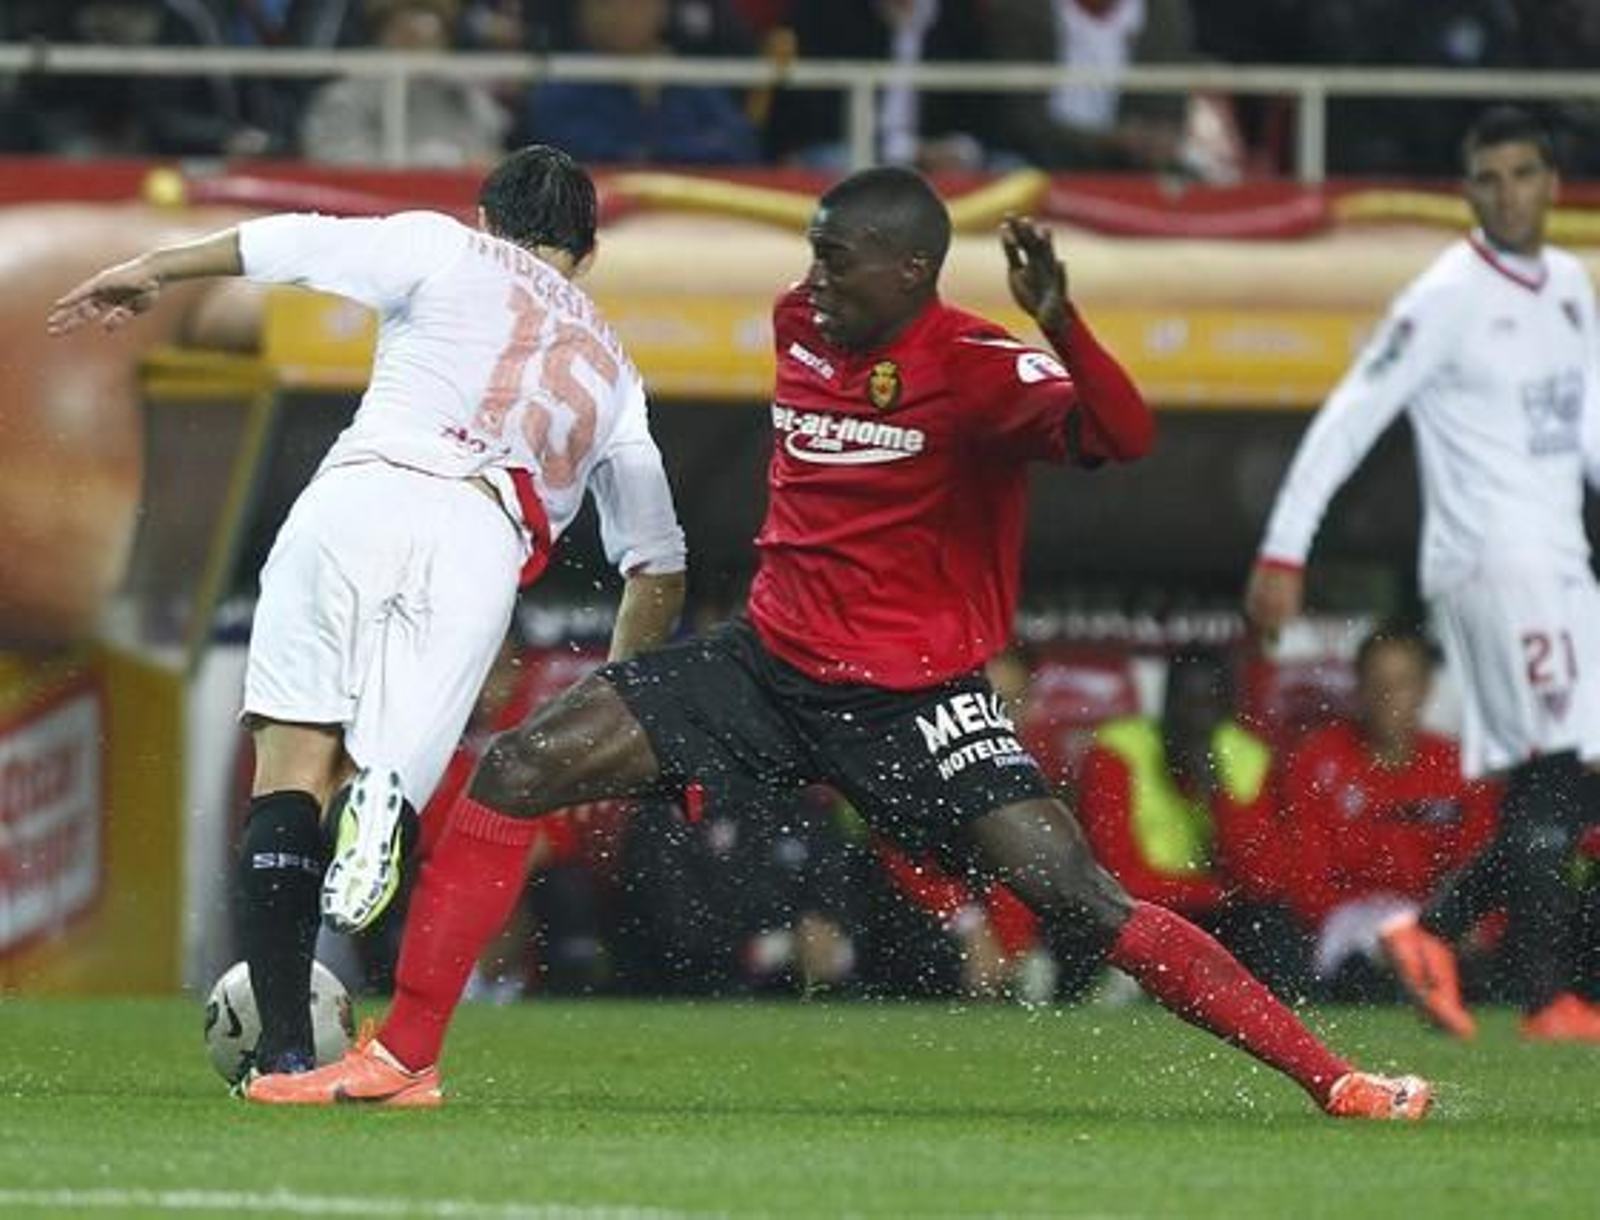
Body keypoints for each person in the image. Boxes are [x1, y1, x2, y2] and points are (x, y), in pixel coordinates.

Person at [248, 166, 1431, 1120]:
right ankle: (404, 1055)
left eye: (834, 257)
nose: (809, 278)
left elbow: (1120, 435)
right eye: (809, 250)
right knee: (516, 765)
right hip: (766, 665)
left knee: (1079, 893)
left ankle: (1331, 1077)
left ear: (910, 271)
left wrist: (1060, 320)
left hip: (917, 702)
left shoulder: (975, 368)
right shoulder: (794, 325)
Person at [47, 144, 688, 1079]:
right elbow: (658, 564)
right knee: (389, 767)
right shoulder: (617, 375)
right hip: (481, 539)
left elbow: (296, 241)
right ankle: (383, 793)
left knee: (289, 763)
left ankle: (283, 1055)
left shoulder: (442, 248)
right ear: (587, 258)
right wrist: (623, 689)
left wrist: (156, 267)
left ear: (485, 219)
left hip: (359, 495)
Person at [1245, 106, 1600, 1042]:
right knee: (1554, 771)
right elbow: (1348, 419)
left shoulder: (1568, 281)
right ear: (1470, 190)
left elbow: (1587, 432)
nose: (1507, 194)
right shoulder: (1444, 296)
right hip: (1494, 561)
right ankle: (1546, 997)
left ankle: (1432, 934)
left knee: (1569, 782)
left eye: (1523, 174)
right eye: (1489, 178)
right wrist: (1286, 548)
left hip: (1563, 560)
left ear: (1551, 183)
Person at [1275, 624, 1498, 999]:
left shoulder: (1457, 768)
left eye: (1402, 683)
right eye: (1376, 682)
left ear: (1426, 689)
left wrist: (1474, 927)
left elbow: (1481, 867)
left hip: (1437, 924)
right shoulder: (1317, 760)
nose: (1387, 696)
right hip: (1351, 927)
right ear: (1358, 688)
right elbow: (1305, 880)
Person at [1074, 648, 1308, 993]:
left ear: (1225, 712)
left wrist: (1215, 793)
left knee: (1270, 926)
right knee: (1083, 914)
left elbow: (1261, 879)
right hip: (1141, 911)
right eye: (1182, 703)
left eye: (1205, 706)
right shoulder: (1119, 750)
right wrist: (1215, 892)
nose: (1191, 721)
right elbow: (1115, 876)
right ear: (1165, 704)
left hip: (1216, 917)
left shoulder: (1248, 758)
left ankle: (1277, 1013)